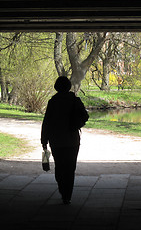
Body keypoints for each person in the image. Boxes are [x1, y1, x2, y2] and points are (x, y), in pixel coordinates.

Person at [41, 76, 89, 205]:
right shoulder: (74, 100)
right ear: (68, 87)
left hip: (56, 139)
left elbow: (47, 121)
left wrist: (44, 139)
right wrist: (76, 124)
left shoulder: (53, 101)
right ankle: (67, 194)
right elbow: (85, 116)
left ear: (56, 87)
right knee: (70, 167)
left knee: (60, 165)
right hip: (72, 139)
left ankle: (62, 189)